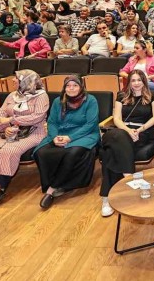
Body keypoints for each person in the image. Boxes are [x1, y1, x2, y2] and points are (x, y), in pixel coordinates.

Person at [0, 70, 49, 214]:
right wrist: (6, 127)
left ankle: (2, 187)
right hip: (9, 133)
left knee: (9, 151)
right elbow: (0, 116)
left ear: (26, 81)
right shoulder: (12, 96)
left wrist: (11, 120)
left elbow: (37, 117)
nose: (13, 81)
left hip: (34, 133)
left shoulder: (41, 96)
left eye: (16, 79)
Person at [99, 70, 154, 217]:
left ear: (144, 81)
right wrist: (128, 130)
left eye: (139, 80)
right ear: (129, 82)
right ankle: (129, 175)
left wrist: (139, 130)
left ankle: (106, 198)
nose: (136, 83)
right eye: (133, 80)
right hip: (121, 130)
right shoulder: (121, 96)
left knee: (109, 153)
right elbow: (117, 119)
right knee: (116, 136)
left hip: (142, 132)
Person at [34, 75, 100, 209]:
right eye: (68, 86)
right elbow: (51, 122)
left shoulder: (90, 100)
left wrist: (70, 138)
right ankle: (55, 183)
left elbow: (91, 124)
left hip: (84, 134)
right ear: (64, 88)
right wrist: (54, 137)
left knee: (72, 152)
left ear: (81, 87)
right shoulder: (58, 101)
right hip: (59, 134)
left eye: (75, 85)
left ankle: (52, 188)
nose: (71, 88)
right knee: (41, 152)